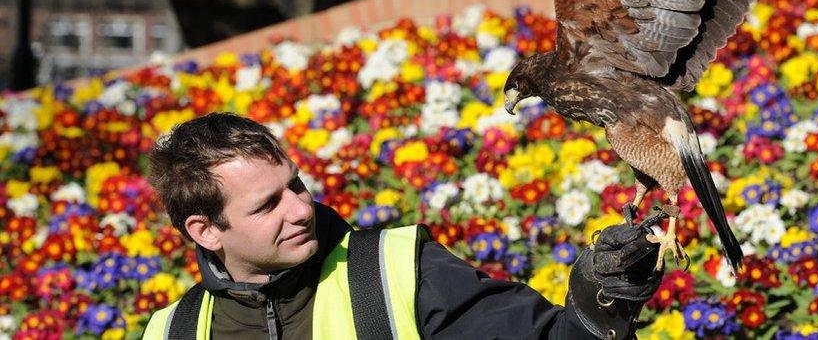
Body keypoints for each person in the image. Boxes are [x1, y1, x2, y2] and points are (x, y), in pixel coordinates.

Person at [142, 112, 666, 339]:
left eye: (295, 185)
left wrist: (597, 311)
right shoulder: (172, 332)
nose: (301, 209)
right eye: (266, 205)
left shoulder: (395, 271)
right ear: (206, 231)